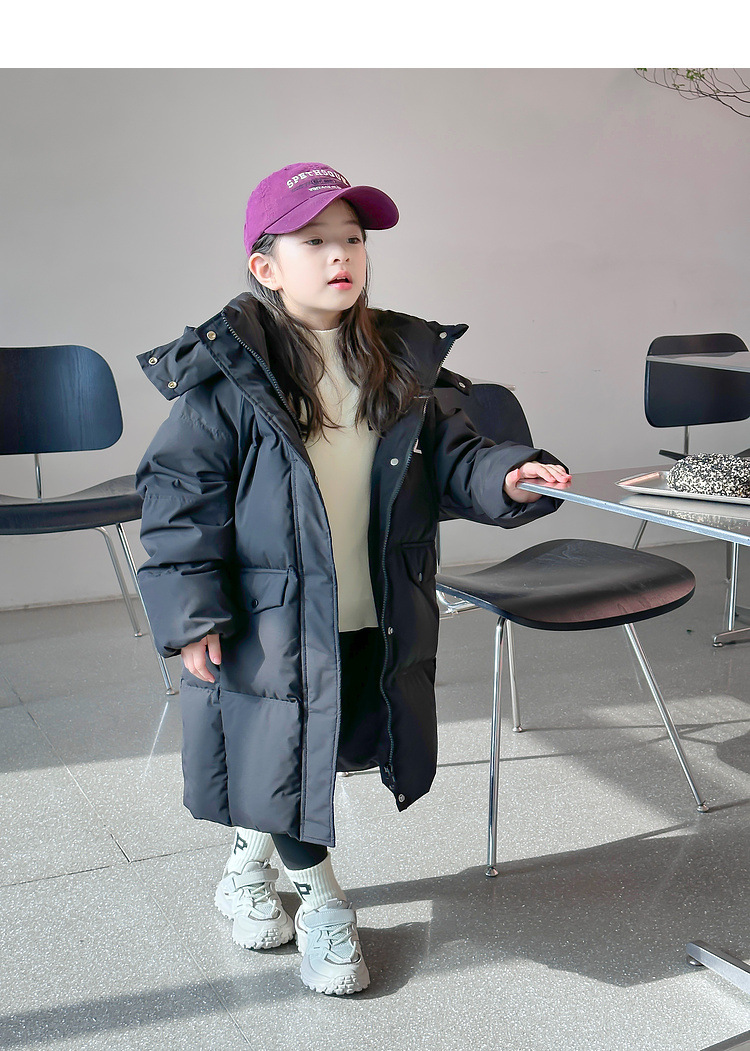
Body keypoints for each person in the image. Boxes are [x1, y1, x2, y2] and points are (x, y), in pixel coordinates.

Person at [135, 161, 571, 996]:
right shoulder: (230, 378)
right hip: (267, 616)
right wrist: (193, 613)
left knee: (312, 750)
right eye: (315, 241)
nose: (341, 255)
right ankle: (326, 906)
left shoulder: (398, 360)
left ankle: (245, 864)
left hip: (375, 603)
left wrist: (510, 476)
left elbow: (457, 457)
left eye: (353, 238)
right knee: (282, 749)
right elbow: (180, 495)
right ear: (266, 267)